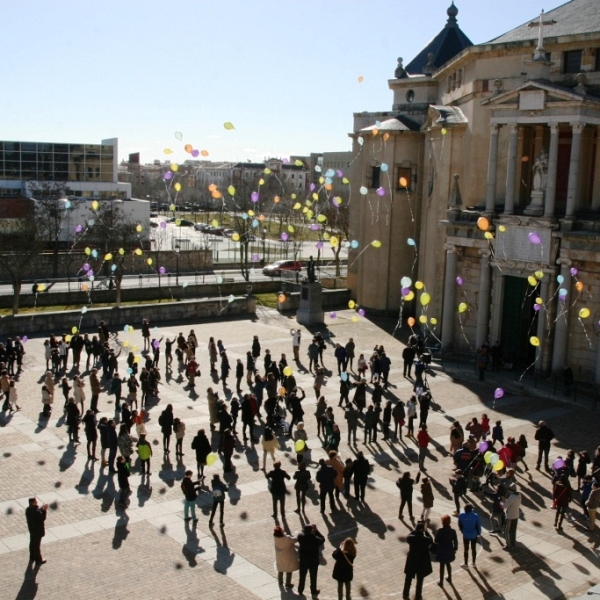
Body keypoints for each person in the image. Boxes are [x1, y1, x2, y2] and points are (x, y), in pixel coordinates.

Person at [402, 521, 433, 600]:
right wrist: (426, 531)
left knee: (408, 578)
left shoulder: (411, 538)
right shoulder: (426, 539)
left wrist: (415, 530)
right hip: (422, 561)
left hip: (412, 560)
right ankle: (418, 595)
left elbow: (408, 536)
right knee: (420, 580)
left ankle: (405, 594)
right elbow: (431, 540)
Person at [297, 524, 325, 597]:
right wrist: (316, 531)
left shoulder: (301, 537)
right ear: (311, 531)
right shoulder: (315, 539)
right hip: (313, 561)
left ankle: (300, 589)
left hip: (303, 561)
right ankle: (313, 590)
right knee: (313, 576)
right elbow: (322, 539)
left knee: (302, 576)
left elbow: (300, 534)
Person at [435, 515, 458, 587]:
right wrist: (455, 549)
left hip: (442, 549)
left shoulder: (440, 531)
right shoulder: (453, 531)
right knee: (448, 563)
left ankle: (441, 582)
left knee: (442, 566)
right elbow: (455, 541)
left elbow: (436, 541)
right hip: (449, 549)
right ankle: (450, 578)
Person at [25, 498, 48, 567]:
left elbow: (37, 512)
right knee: (36, 546)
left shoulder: (28, 510)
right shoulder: (36, 511)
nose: (37, 502)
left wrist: (41, 509)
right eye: (35, 502)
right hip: (38, 531)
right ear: (32, 503)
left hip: (32, 530)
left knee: (32, 543)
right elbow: (42, 518)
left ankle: (32, 557)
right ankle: (38, 560)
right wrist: (44, 510)